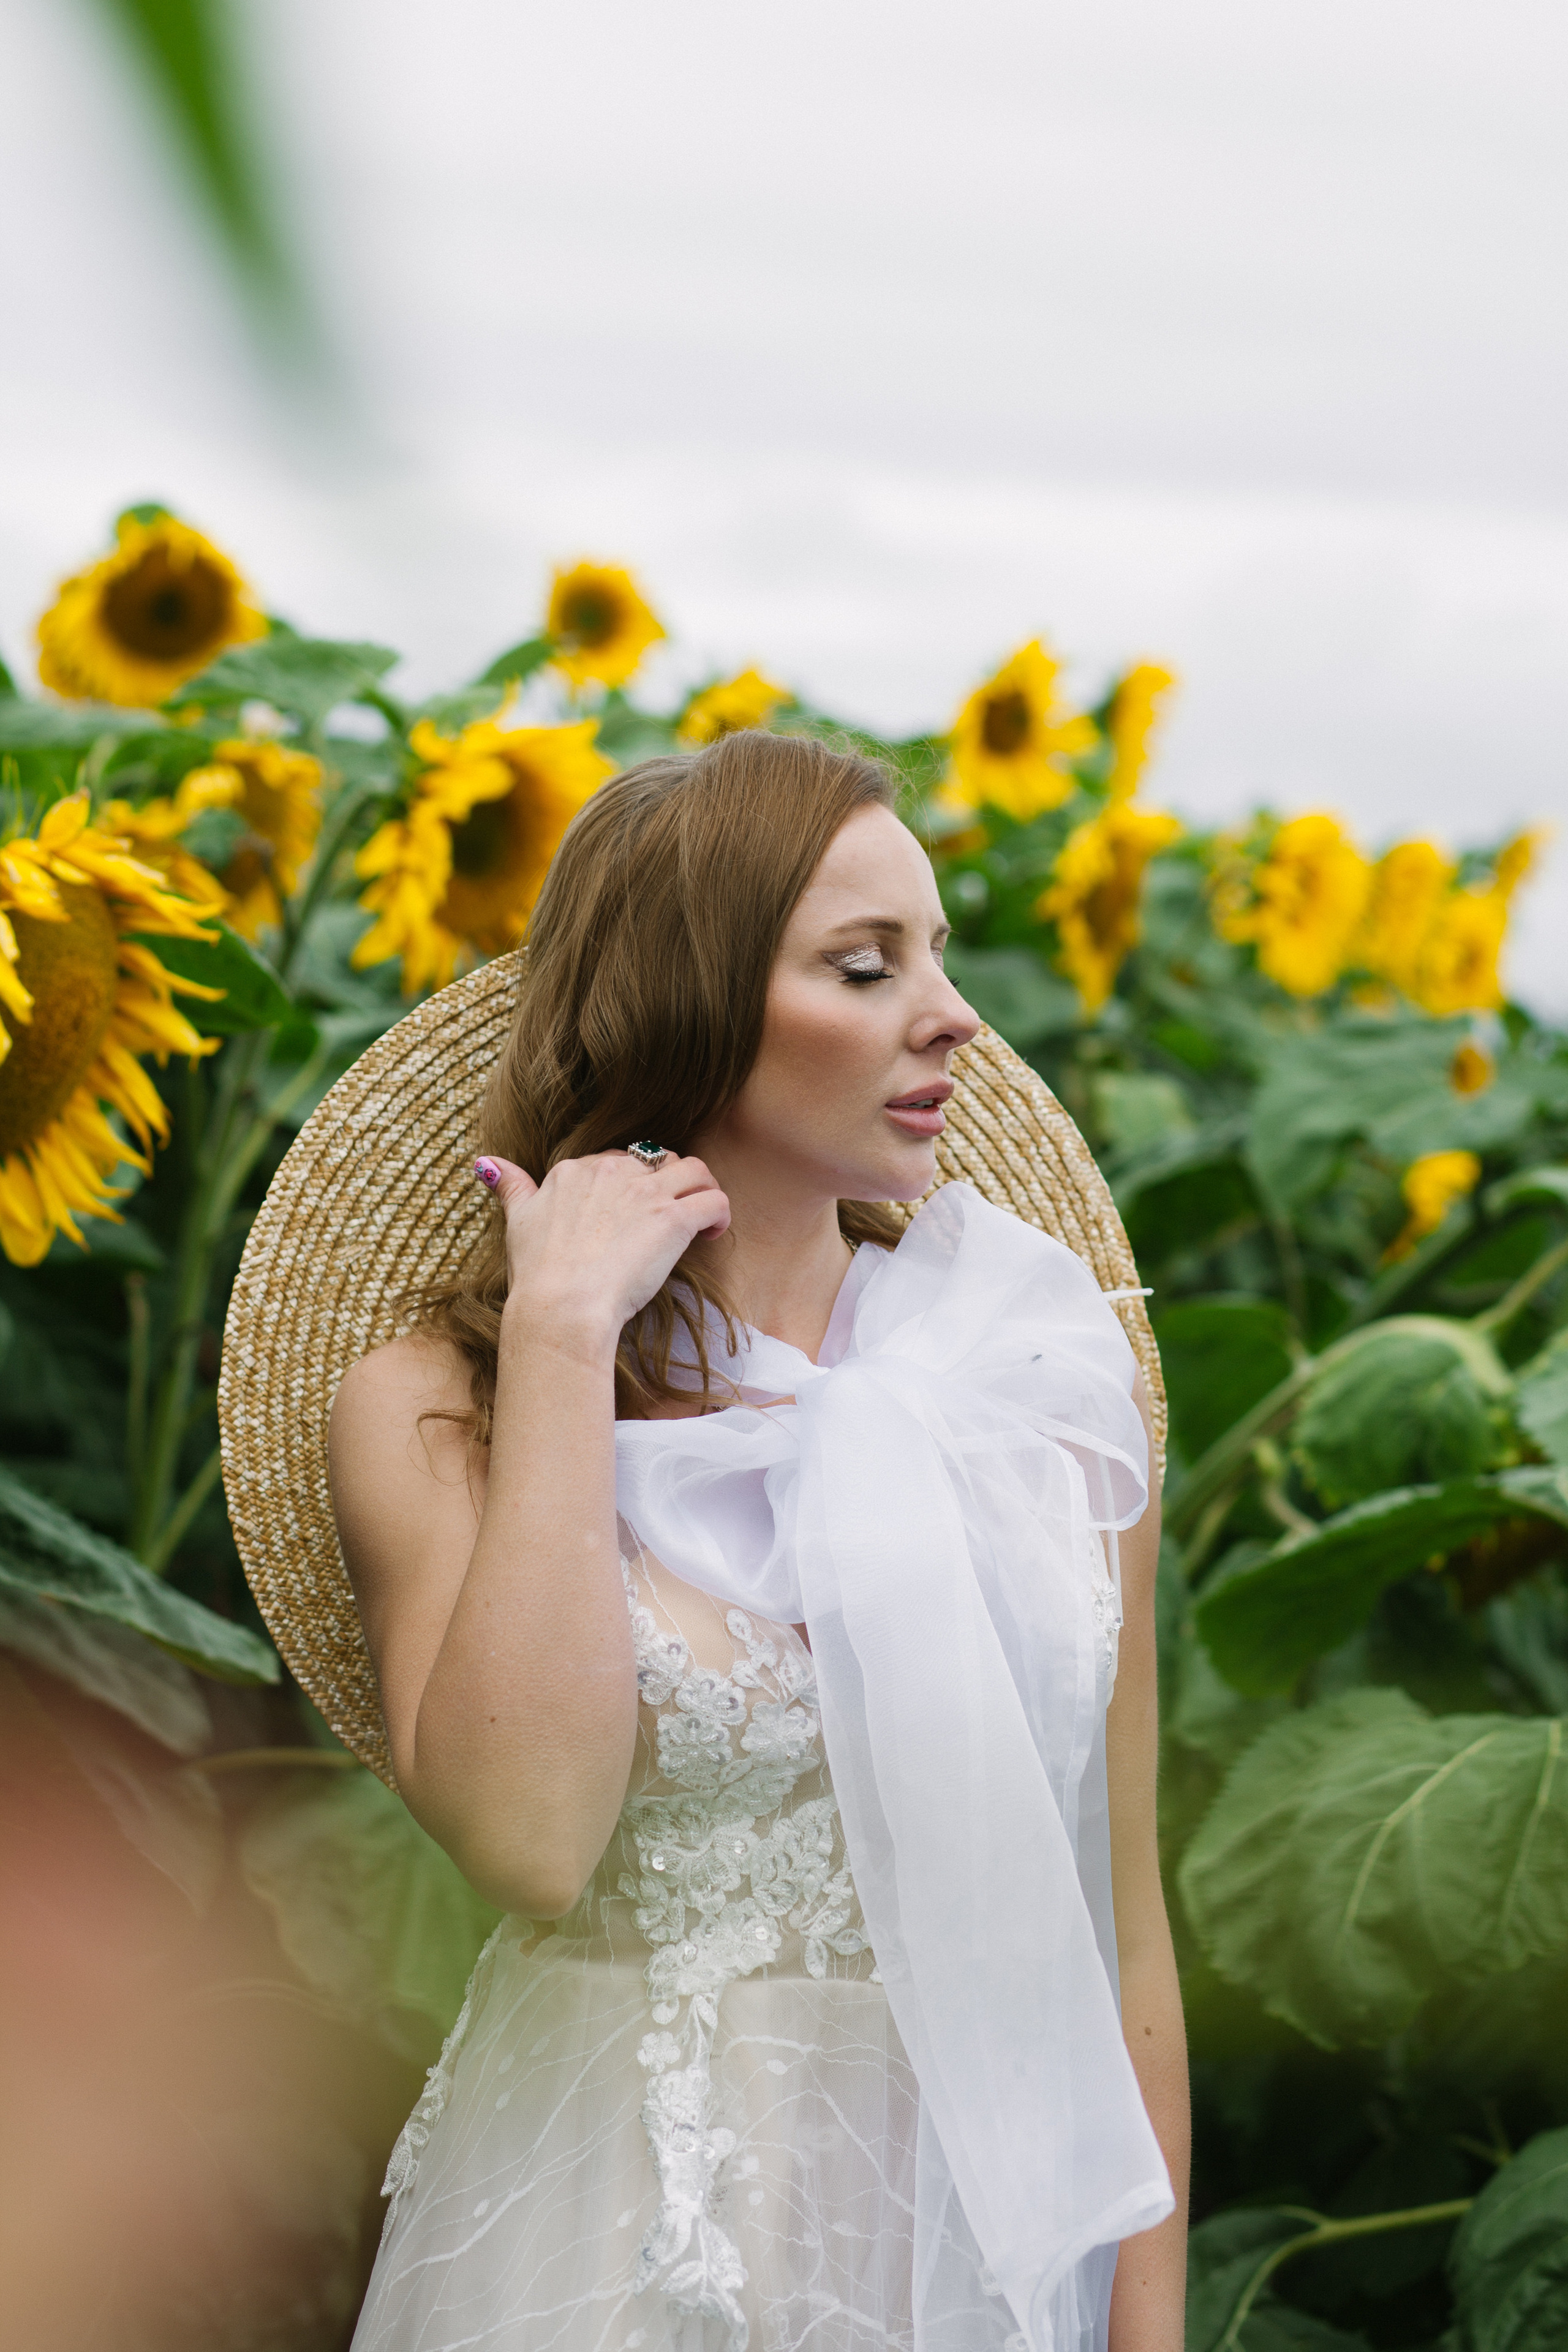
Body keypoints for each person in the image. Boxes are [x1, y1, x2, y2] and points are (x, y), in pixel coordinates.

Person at [328, 731, 1189, 2352]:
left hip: (968, 2269)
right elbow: (526, 1836)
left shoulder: (1032, 1395)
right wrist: (570, 1338)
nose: (951, 1015)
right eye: (867, 967)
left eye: (937, 956)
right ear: (688, 1006)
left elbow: (1117, 1934)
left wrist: (1146, 2339)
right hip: (606, 2252)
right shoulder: (441, 1406)